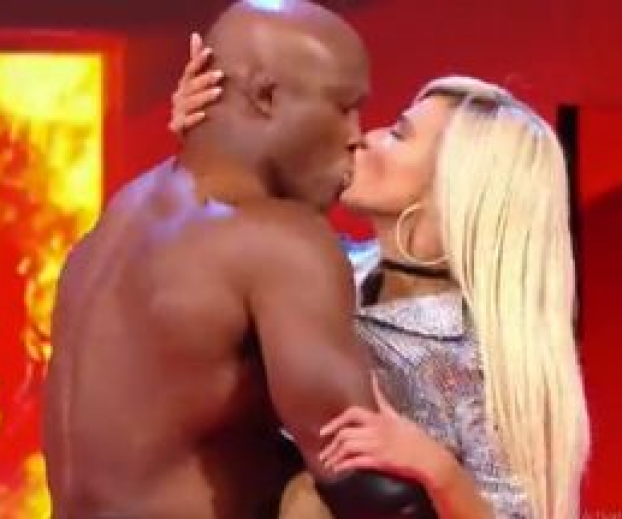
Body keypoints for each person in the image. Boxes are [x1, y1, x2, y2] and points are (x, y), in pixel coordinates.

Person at [43, 1, 436, 518]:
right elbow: (364, 480)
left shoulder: (122, 217)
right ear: (266, 96)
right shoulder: (279, 241)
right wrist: (453, 481)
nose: (356, 135)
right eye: (344, 107)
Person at [171, 49, 591, 518]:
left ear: (451, 190)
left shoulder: (480, 365)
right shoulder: (319, 267)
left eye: (398, 134)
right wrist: (203, 144)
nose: (364, 138)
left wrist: (437, 471)